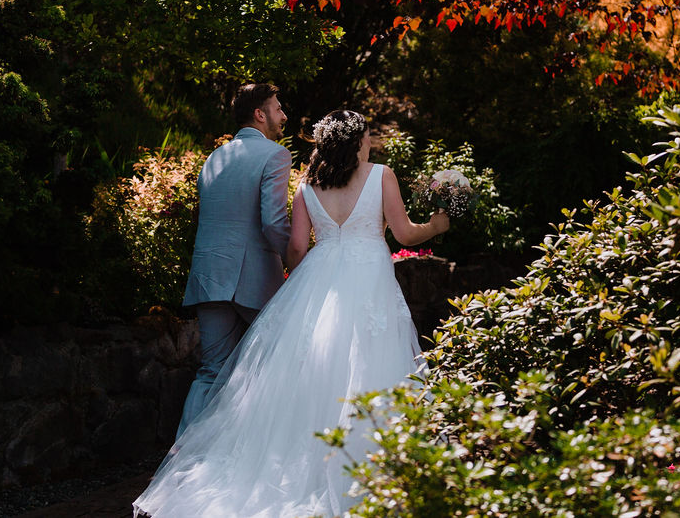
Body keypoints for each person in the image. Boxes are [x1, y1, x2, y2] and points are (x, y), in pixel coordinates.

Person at [133, 110, 449, 518]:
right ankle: (377, 475)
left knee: (303, 377)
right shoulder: (381, 174)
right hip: (368, 275)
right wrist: (436, 227)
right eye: (368, 135)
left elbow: (297, 248)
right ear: (357, 140)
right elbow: (405, 234)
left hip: (318, 275)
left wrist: (307, 285)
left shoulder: (308, 185)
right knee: (370, 365)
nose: (371, 141)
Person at [177, 83, 292, 434]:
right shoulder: (274, 155)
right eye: (277, 108)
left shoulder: (215, 157)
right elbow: (273, 222)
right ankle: (260, 451)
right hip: (254, 278)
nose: (284, 115)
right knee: (277, 363)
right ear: (260, 114)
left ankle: (182, 458)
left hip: (209, 274)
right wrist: (297, 261)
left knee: (211, 372)